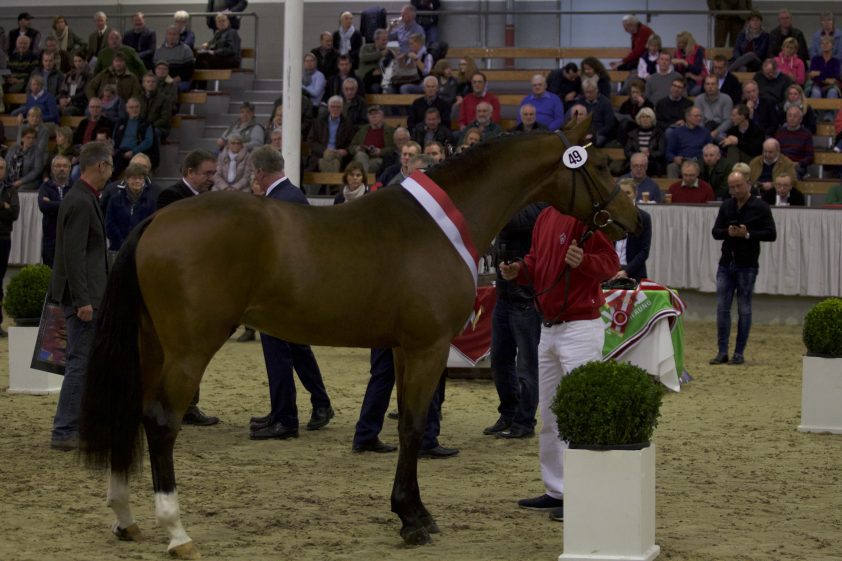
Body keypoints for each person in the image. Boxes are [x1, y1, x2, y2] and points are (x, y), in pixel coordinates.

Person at [499, 208, 619, 522]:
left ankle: (582, 494)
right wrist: (519, 270)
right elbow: (536, 262)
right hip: (549, 326)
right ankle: (557, 489)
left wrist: (585, 261)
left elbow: (610, 263)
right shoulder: (545, 217)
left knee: (581, 413)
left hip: (579, 326)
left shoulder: (585, 218)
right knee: (550, 413)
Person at [241, 146, 336, 439]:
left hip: (281, 293)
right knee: (296, 350)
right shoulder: (289, 195)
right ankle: (310, 405)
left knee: (278, 354)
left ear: (259, 172)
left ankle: (285, 418)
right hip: (291, 291)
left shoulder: (282, 201)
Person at [49, 142, 112, 451]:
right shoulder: (81, 201)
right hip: (84, 300)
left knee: (84, 361)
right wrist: (82, 300)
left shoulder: (83, 198)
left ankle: (77, 425)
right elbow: (73, 256)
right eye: (110, 165)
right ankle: (65, 430)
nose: (111, 171)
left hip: (88, 296)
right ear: (100, 165)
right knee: (80, 362)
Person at [156, 150, 220, 426]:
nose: (211, 178)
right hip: (176, 283)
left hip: (200, 283)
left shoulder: (209, 198)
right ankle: (169, 403)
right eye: (207, 173)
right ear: (190, 172)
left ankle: (189, 404)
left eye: (214, 173)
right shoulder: (170, 197)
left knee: (196, 346)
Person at [484, 202, 546, 439]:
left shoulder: (540, 205)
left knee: (526, 365)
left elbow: (511, 221)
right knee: (500, 361)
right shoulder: (518, 201)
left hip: (526, 298)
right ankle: (509, 413)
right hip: (505, 294)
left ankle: (525, 421)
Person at [710, 169, 777, 366]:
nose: (735, 190)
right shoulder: (727, 205)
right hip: (726, 263)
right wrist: (728, 232)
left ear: (748, 184)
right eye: (732, 187)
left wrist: (748, 235)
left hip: (747, 264)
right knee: (722, 308)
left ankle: (739, 352)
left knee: (744, 308)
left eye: (738, 186)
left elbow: (771, 234)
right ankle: (722, 351)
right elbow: (715, 232)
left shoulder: (760, 206)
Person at [105, 163, 156, 253]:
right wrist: (122, 243)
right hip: (118, 248)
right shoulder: (115, 200)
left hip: (141, 248)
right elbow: (110, 224)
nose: (137, 181)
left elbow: (151, 225)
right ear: (127, 180)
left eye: (140, 178)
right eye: (134, 178)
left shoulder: (150, 202)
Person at [611, 179, 651, 282]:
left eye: (628, 193)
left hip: (634, 273)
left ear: (635, 194)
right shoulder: (610, 216)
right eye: (621, 192)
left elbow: (644, 251)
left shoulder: (644, 218)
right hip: (611, 272)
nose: (624, 196)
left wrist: (626, 271)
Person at [38, 155, 73, 267]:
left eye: (65, 166)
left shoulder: (75, 187)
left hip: (71, 237)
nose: (62, 168)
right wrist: (66, 205)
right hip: (50, 236)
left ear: (69, 168)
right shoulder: (45, 187)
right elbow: (43, 206)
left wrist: (52, 204)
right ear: (52, 169)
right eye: (58, 166)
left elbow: (77, 207)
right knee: (50, 271)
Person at [306, 95, 355, 172]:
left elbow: (352, 142)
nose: (335, 109)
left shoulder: (347, 124)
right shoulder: (318, 122)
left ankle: (328, 177)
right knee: (333, 162)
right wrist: (324, 151)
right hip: (321, 153)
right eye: (333, 106)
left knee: (333, 161)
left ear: (342, 109)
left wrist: (346, 150)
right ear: (328, 108)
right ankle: (332, 179)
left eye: (338, 107)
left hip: (339, 154)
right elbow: (311, 140)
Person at [0, 159, 20, 338]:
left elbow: (14, 213)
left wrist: (6, 208)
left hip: (3, 238)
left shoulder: (11, 189)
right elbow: (7, 209)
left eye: (1, 168)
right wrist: (2, 205)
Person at [111, 97, 155, 178]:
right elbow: (114, 138)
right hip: (119, 152)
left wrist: (133, 151)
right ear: (127, 109)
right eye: (131, 107)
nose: (134, 110)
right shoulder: (120, 122)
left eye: (136, 107)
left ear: (140, 108)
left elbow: (148, 141)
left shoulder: (145, 124)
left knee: (118, 165)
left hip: (136, 152)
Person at [665, 106, 712, 177]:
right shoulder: (676, 132)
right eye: (696, 116)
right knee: (672, 167)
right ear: (687, 117)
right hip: (682, 161)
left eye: (700, 116)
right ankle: (673, 185)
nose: (699, 118)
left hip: (698, 161)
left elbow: (710, 150)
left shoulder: (705, 132)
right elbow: (669, 153)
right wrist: (674, 158)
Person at [350, 105, 395, 173]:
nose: (373, 116)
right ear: (368, 117)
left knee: (367, 164)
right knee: (360, 155)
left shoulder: (390, 131)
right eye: (371, 114)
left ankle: (362, 178)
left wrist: (381, 151)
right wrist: (357, 148)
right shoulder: (362, 130)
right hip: (362, 157)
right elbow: (351, 147)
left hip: (379, 159)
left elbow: (394, 149)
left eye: (376, 113)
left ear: (382, 116)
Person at [624, 109, 666, 178]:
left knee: (644, 165)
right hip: (635, 161)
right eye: (643, 117)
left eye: (648, 117)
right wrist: (638, 156)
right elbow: (627, 152)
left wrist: (649, 154)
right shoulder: (632, 134)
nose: (645, 119)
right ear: (639, 119)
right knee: (634, 165)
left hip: (653, 162)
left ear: (652, 119)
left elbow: (661, 152)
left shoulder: (659, 133)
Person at [774, 106, 813, 178]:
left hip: (797, 166)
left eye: (795, 116)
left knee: (790, 174)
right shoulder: (780, 132)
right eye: (789, 115)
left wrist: (799, 163)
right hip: (781, 165)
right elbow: (775, 152)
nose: (791, 118)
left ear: (800, 119)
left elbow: (809, 157)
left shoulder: (806, 134)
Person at [574, 82, 615, 147]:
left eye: (591, 92)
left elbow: (609, 124)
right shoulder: (580, 101)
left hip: (600, 132)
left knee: (591, 142)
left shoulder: (605, 102)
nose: (588, 94)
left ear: (596, 90)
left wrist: (595, 134)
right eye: (586, 92)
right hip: (583, 131)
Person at [694, 74, 733, 141]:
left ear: (718, 86)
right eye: (708, 84)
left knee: (721, 138)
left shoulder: (726, 99)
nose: (710, 86)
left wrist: (716, 132)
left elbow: (728, 121)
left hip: (721, 129)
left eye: (713, 84)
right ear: (704, 86)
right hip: (704, 128)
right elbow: (699, 120)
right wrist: (704, 133)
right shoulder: (699, 99)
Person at [672, 31, 708, 96]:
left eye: (681, 43)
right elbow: (676, 71)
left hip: (697, 80)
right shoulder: (677, 52)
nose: (678, 44)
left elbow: (698, 70)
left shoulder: (698, 50)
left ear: (687, 43)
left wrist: (684, 63)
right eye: (678, 42)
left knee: (693, 91)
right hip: (683, 81)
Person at [808, 36, 841, 100]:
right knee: (816, 93)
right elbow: (812, 76)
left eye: (827, 43)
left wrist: (819, 73)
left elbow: (836, 75)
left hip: (831, 86)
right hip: (817, 85)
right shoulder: (815, 59)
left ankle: (831, 107)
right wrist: (827, 79)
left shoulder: (836, 61)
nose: (824, 45)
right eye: (822, 43)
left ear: (832, 45)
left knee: (832, 92)